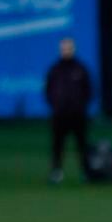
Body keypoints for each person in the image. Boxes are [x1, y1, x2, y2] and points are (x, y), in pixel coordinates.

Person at [44, 37, 95, 184]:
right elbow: (48, 90)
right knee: (58, 145)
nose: (66, 51)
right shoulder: (55, 69)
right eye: (64, 48)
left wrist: (80, 106)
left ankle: (86, 172)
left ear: (73, 49)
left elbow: (89, 90)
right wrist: (56, 105)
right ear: (60, 50)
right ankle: (56, 171)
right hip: (60, 114)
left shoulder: (80, 69)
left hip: (78, 115)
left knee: (82, 145)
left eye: (69, 48)